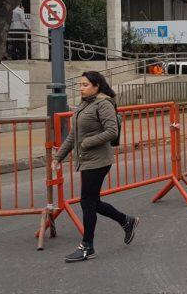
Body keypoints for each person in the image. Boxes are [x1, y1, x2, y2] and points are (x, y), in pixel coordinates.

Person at [53, 71, 138, 263]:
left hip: (99, 160)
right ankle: (126, 221)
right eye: (80, 84)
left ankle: (87, 246)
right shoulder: (85, 104)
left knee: (87, 202)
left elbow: (111, 131)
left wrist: (87, 143)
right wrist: (59, 156)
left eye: (85, 85)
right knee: (93, 202)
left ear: (96, 85)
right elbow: (74, 135)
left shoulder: (103, 103)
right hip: (86, 159)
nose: (81, 88)